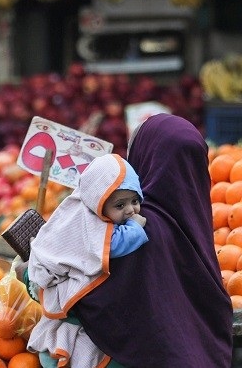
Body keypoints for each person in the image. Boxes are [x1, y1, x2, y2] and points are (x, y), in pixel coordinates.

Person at [70, 113, 234, 367]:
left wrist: (35, 275)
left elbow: (94, 299)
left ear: (145, 156)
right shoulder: (194, 221)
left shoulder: (136, 228)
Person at [25, 153, 148, 368]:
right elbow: (114, 245)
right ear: (97, 202)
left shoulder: (90, 208)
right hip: (53, 276)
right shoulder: (87, 219)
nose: (130, 210)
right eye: (120, 206)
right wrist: (135, 228)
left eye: (135, 201)